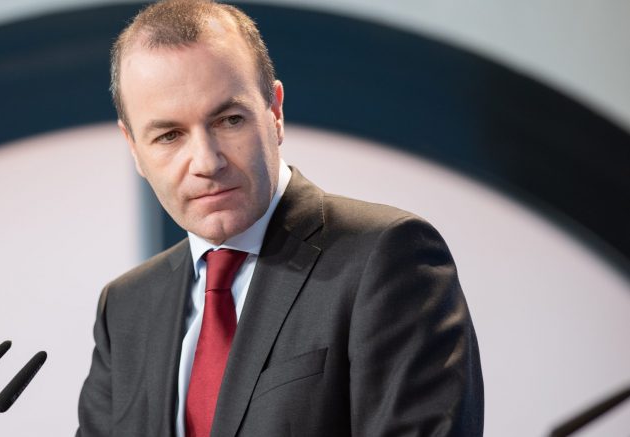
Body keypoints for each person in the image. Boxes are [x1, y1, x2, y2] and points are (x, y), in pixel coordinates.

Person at [77, 1, 483, 436]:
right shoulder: (125, 306)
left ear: (275, 112)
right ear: (134, 148)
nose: (207, 162)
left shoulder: (387, 258)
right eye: (169, 135)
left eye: (229, 120)